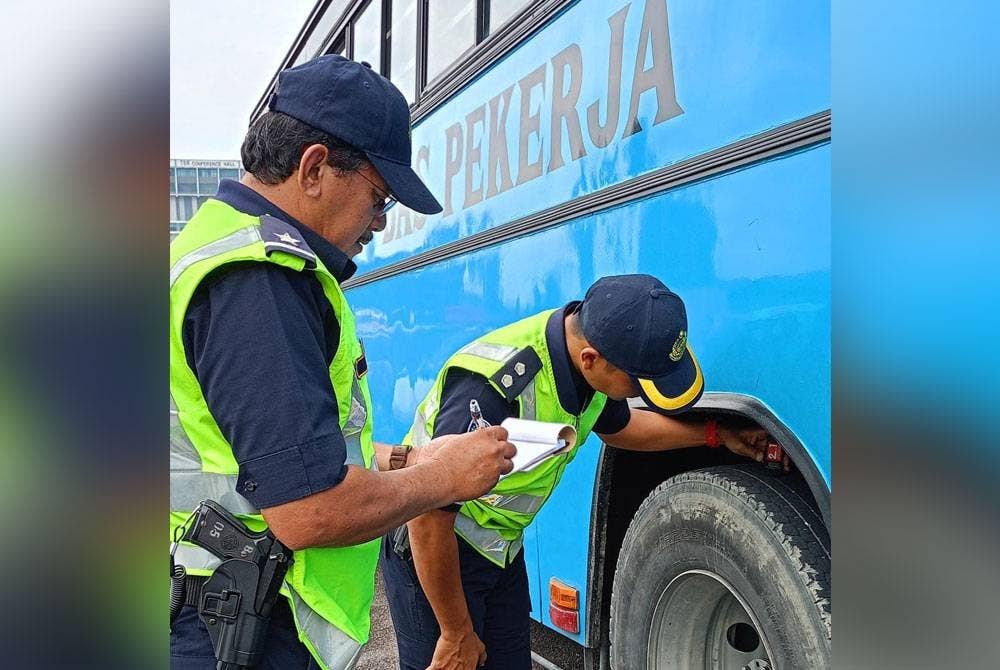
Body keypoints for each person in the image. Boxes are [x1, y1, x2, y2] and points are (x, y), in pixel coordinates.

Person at [169, 55, 516, 670]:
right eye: (379, 198)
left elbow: (250, 449)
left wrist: (402, 459)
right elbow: (309, 509)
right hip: (244, 629)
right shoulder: (259, 281)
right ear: (314, 169)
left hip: (214, 603)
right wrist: (445, 478)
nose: (379, 224)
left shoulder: (213, 246)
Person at [382, 274, 781, 670]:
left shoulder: (589, 358)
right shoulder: (494, 389)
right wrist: (455, 632)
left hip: (500, 552)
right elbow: (428, 517)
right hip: (436, 559)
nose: (638, 394)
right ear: (591, 359)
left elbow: (622, 427)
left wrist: (716, 434)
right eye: (638, 384)